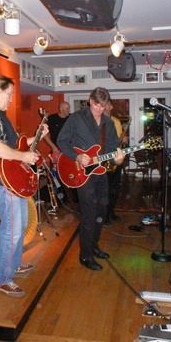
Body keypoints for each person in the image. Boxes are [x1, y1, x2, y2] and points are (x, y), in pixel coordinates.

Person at [0, 75, 48, 298]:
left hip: (13, 179)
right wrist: (23, 156)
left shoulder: (1, 116)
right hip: (3, 181)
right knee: (11, 230)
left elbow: (15, 144)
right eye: (9, 94)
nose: (11, 99)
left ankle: (14, 265)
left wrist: (36, 137)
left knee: (21, 224)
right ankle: (2, 279)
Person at [57, 87, 124, 271]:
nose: (100, 110)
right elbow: (62, 141)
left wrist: (118, 159)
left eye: (103, 106)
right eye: (97, 105)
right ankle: (85, 255)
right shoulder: (76, 118)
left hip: (100, 172)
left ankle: (94, 247)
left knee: (101, 212)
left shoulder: (108, 123)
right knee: (89, 214)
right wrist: (76, 156)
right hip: (82, 173)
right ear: (90, 101)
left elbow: (112, 148)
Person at [103, 100, 129, 225]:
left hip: (115, 158)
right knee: (105, 190)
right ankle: (104, 216)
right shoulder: (97, 121)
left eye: (110, 105)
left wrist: (123, 140)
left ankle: (111, 212)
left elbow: (118, 140)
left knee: (114, 188)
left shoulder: (116, 121)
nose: (111, 106)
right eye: (109, 104)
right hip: (103, 160)